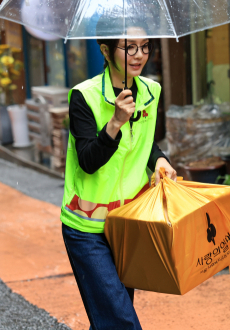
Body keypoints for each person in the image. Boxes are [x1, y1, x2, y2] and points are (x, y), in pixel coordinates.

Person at [60, 26, 177, 330]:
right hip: (87, 228)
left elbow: (143, 139)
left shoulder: (150, 91)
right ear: (105, 51)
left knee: (110, 315)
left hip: (128, 224)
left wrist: (160, 160)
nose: (139, 56)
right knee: (120, 320)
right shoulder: (84, 97)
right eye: (130, 48)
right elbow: (87, 161)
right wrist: (114, 122)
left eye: (145, 47)